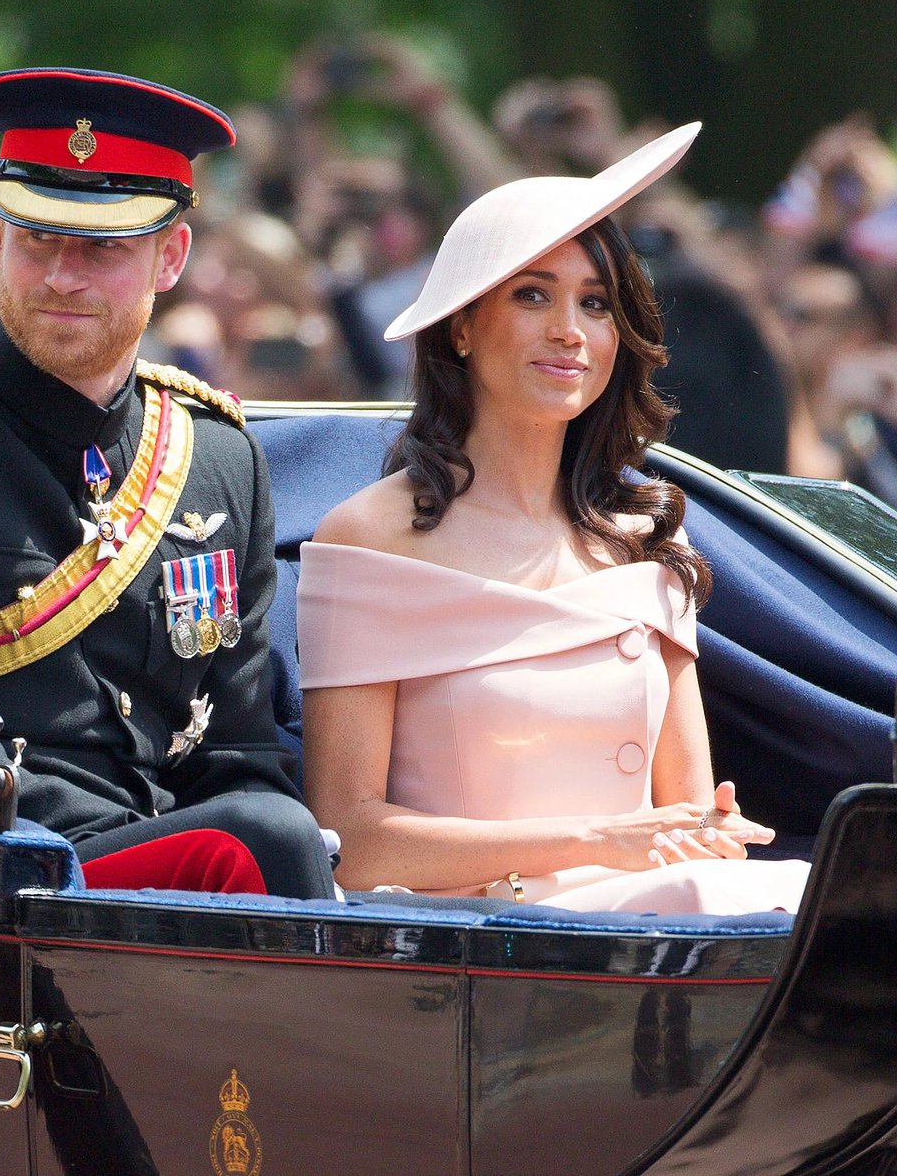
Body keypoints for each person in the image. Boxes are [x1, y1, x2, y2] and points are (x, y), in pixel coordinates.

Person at [0, 67, 335, 900]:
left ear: (170, 256)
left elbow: (242, 753)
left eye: (103, 247)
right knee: (270, 840)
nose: (63, 277)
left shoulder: (216, 454)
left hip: (174, 879)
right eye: (38, 238)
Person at [297, 123, 810, 914]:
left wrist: (710, 830)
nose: (569, 329)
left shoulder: (647, 535)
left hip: (650, 938)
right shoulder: (371, 534)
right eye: (532, 294)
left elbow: (684, 813)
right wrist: (593, 840)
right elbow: (349, 841)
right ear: (461, 326)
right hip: (477, 953)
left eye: (595, 303)